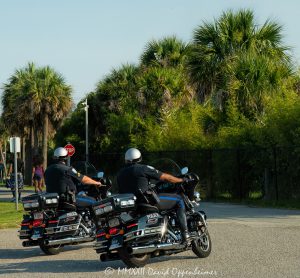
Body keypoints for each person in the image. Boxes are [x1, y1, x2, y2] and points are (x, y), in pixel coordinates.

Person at [117, 148, 190, 243]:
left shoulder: (120, 174)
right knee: (179, 200)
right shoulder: (143, 168)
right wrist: (181, 180)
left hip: (132, 206)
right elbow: (165, 177)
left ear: (126, 159)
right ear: (139, 158)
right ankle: (185, 233)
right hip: (148, 202)